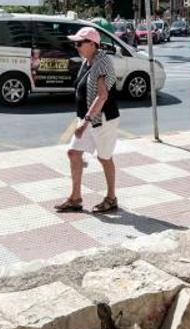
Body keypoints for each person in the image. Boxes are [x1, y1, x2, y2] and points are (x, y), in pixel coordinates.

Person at [55, 27, 121, 214]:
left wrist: (86, 121)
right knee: (74, 153)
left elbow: (102, 96)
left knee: (104, 158)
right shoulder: (88, 61)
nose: (76, 46)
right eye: (75, 43)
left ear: (93, 44)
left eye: (80, 43)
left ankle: (111, 198)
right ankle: (75, 198)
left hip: (103, 120)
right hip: (88, 118)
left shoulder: (103, 63)